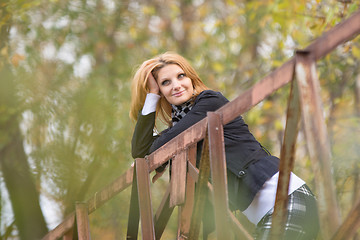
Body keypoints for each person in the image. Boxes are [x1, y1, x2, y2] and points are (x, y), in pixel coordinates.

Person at [129, 52, 319, 239]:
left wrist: (158, 156)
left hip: (289, 201)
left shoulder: (209, 102)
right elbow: (140, 151)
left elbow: (154, 149)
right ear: (161, 92)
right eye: (165, 82)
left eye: (181, 76)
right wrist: (152, 95)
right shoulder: (181, 126)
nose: (177, 85)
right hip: (267, 215)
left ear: (191, 78)